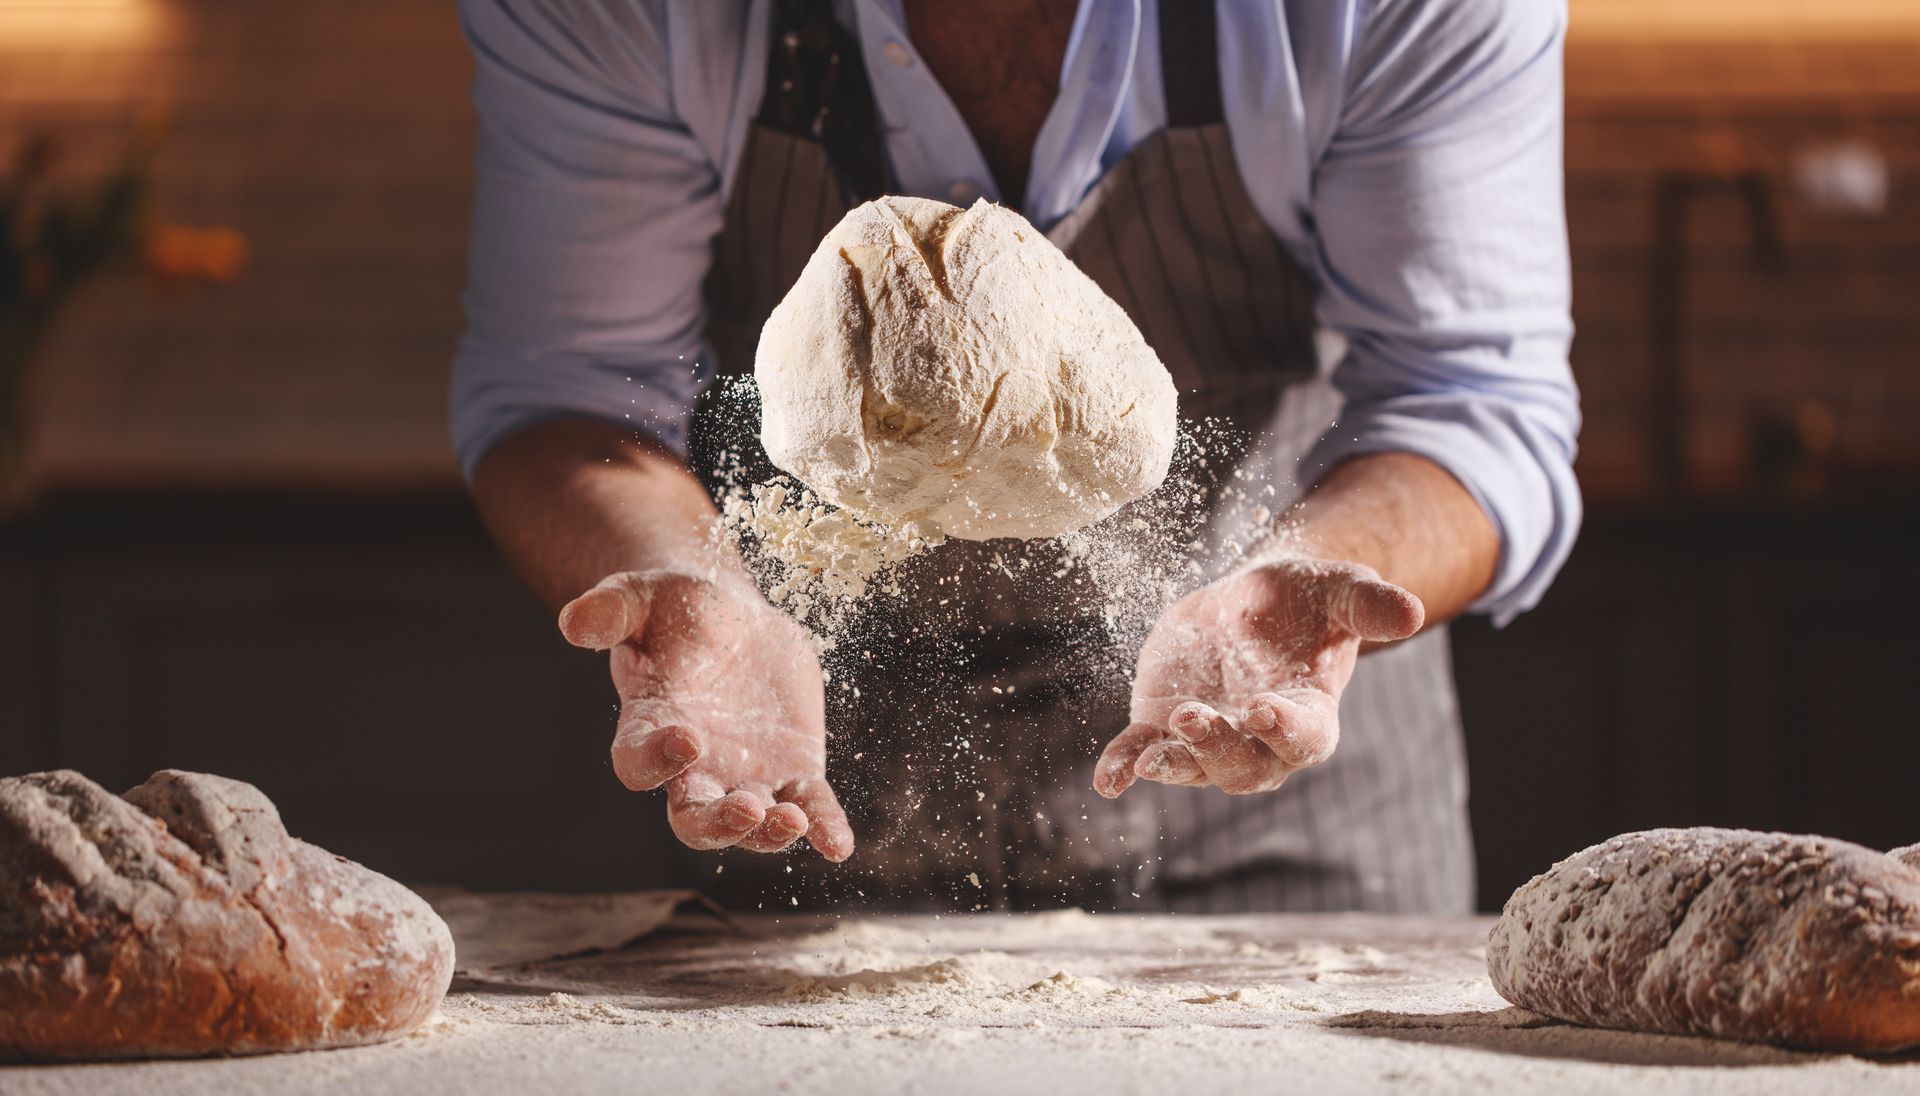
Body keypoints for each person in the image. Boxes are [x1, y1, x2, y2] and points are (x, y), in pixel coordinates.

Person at [451, 0, 1581, 913]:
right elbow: (574, 395)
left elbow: (1468, 400)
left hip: (1273, 785)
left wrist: (1315, 578)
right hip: (800, 800)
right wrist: (690, 581)